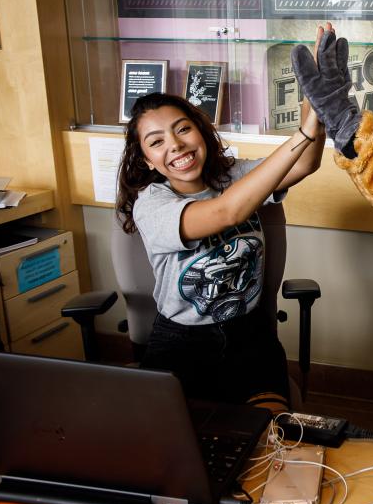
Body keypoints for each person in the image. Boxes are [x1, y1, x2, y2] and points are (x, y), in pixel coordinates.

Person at [115, 25, 330, 413]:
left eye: (183, 129)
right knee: (187, 449)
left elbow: (306, 164)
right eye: (157, 141)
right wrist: (300, 134)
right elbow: (227, 211)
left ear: (200, 130)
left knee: (270, 440)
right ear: (147, 159)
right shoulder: (152, 204)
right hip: (181, 343)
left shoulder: (232, 176)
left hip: (250, 337)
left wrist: (314, 103)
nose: (176, 145)